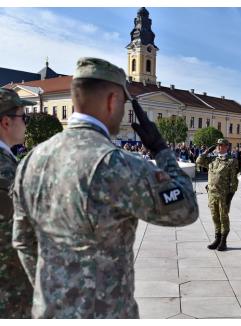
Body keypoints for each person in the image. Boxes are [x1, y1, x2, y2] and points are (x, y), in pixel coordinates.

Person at [11, 57, 199, 318]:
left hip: (48, 312)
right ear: (112, 100)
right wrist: (160, 149)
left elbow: (22, 240)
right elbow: (186, 208)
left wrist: (52, 292)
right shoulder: (119, 165)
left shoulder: (31, 160)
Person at [0, 88, 34, 318]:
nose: (26, 124)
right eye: (24, 117)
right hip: (10, 293)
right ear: (5, 122)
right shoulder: (6, 171)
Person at [196, 138, 238, 251]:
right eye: (218, 145)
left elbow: (234, 181)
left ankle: (223, 240)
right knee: (215, 216)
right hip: (212, 194)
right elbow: (198, 161)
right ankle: (217, 238)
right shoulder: (212, 160)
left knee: (223, 217)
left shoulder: (231, 161)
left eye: (222, 145)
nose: (219, 147)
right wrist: (206, 152)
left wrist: (230, 196)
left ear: (227, 147)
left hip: (224, 195)